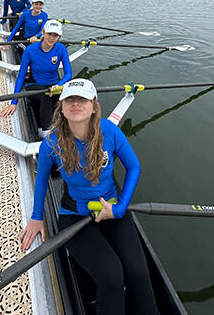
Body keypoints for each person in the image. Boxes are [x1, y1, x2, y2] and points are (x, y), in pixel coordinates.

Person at [20, 78, 158, 314]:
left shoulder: (110, 131)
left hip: (111, 208)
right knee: (112, 277)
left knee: (137, 273)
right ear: (61, 107)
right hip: (74, 215)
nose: (76, 104)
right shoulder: (51, 143)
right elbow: (42, 179)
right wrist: (36, 217)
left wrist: (120, 208)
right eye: (69, 100)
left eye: (82, 99)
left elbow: (134, 167)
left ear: (94, 105)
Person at [0, 20, 72, 138]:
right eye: (49, 34)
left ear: (59, 37)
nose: (52, 38)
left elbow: (68, 74)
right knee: (46, 96)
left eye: (56, 35)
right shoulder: (30, 50)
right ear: (43, 32)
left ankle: (64, 126)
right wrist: (14, 102)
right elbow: (21, 76)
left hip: (54, 84)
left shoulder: (61, 48)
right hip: (34, 85)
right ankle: (45, 133)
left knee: (67, 98)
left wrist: (59, 85)